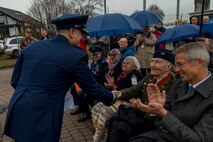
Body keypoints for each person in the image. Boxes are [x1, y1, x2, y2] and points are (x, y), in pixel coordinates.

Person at [3, 14, 115, 142]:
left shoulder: (33, 47)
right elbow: (91, 87)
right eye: (81, 34)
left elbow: (15, 80)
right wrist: (112, 96)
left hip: (17, 108)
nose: (81, 39)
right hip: (43, 114)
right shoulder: (76, 55)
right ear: (72, 32)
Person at [129, 42, 213, 142]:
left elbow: (198, 139)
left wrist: (163, 113)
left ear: (199, 63)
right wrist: (154, 110)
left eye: (180, 64)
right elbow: (162, 117)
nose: (176, 70)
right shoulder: (180, 83)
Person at [107, 49, 175, 142]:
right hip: (140, 115)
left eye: (157, 62)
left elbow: (168, 110)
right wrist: (117, 93)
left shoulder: (173, 84)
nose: (152, 65)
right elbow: (134, 90)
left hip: (154, 122)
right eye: (152, 61)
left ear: (169, 66)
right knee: (113, 121)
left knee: (122, 128)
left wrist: (145, 108)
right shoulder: (149, 77)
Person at [92, 56, 143, 142]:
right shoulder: (123, 74)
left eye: (128, 63)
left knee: (103, 112)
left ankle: (98, 138)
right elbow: (119, 89)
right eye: (124, 62)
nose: (125, 64)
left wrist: (114, 89)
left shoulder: (134, 74)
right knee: (95, 108)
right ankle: (101, 132)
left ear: (134, 66)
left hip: (128, 102)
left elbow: (132, 92)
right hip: (119, 97)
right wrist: (113, 86)